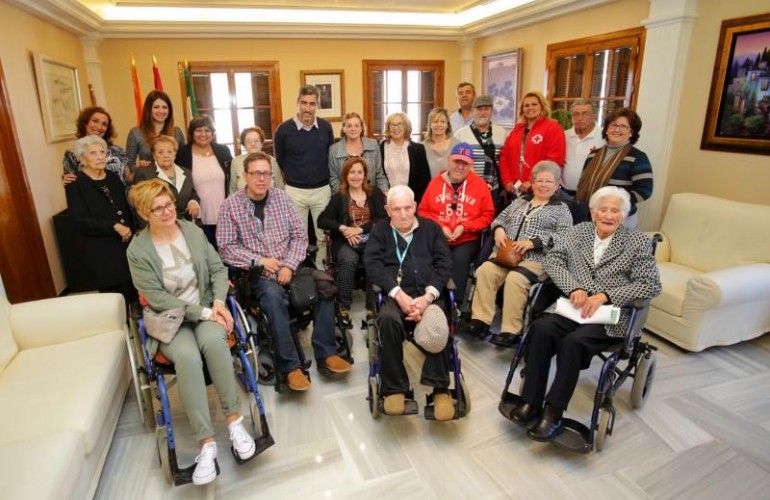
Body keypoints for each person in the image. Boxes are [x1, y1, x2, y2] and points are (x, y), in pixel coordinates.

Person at [126, 179, 256, 486]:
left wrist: (220, 303)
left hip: (207, 308)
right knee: (186, 357)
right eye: (157, 208)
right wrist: (206, 311)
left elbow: (218, 269)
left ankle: (235, 422)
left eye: (169, 204)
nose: (167, 211)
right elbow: (156, 297)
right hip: (169, 319)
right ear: (145, 213)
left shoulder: (193, 232)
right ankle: (206, 442)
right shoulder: (138, 249)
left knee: (214, 343)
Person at [509, 186, 661, 442]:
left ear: (623, 215)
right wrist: (574, 287)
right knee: (541, 329)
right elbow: (553, 261)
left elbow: (650, 284)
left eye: (615, 211)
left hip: (610, 314)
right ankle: (530, 401)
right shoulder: (576, 232)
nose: (609, 215)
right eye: (603, 209)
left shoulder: (637, 242)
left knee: (573, 343)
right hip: (574, 307)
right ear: (592, 213)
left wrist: (606, 296)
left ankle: (554, 412)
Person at [217, 152, 351, 391]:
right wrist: (258, 260)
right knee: (273, 297)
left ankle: (326, 352)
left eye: (266, 173)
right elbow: (226, 249)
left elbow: (300, 236)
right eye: (256, 174)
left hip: (291, 266)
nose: (261, 179)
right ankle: (290, 367)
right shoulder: (230, 206)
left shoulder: (282, 198)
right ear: (245, 176)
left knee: (325, 284)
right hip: (257, 274)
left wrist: (289, 264)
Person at [364, 185, 455, 421]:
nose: (403, 214)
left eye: (407, 208)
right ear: (387, 210)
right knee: (387, 320)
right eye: (397, 209)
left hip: (428, 295)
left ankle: (440, 388)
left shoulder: (432, 229)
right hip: (397, 296)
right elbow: (373, 265)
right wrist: (399, 295)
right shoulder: (380, 231)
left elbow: (444, 264)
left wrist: (427, 298)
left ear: (415, 206)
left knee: (438, 321)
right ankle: (395, 387)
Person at [458, 161, 571, 347]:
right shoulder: (520, 201)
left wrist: (533, 243)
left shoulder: (561, 209)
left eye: (548, 181)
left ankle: (511, 330)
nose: (543, 185)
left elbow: (565, 237)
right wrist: (499, 230)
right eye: (539, 180)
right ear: (532, 183)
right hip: (506, 254)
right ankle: (480, 321)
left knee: (515, 279)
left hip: (536, 259)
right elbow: (499, 219)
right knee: (485, 270)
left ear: (558, 184)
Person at [417, 142, 494, 303]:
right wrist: (440, 226)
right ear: (449, 160)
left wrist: (464, 227)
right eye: (456, 162)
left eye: (464, 163)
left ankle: (454, 305)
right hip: (439, 236)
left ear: (471, 165)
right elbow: (423, 211)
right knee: (434, 257)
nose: (460, 167)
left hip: (467, 239)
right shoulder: (435, 183)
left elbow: (488, 216)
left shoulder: (480, 186)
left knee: (459, 258)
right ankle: (428, 299)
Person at [65, 135, 135, 305]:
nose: (100, 157)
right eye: (93, 153)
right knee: (115, 297)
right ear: (82, 158)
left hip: (126, 242)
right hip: (101, 249)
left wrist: (129, 229)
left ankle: (136, 327)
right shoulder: (75, 184)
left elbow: (124, 208)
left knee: (133, 290)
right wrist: (114, 226)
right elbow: (81, 221)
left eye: (102, 152)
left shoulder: (112, 177)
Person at [273, 85, 336, 269]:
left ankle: (321, 273)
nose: (307, 108)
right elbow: (281, 160)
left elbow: (328, 155)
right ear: (297, 104)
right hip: (295, 191)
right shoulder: (283, 130)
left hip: (322, 190)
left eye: (312, 104)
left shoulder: (325, 128)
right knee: (298, 237)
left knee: (322, 236)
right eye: (303, 103)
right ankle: (301, 274)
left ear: (317, 105)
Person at [318, 156, 387, 323]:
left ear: (365, 175)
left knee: (373, 261)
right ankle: (344, 306)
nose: (356, 176)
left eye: (359, 172)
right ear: (345, 175)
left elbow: (382, 218)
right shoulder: (340, 197)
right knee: (348, 261)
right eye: (352, 172)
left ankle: (372, 307)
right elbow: (322, 220)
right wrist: (344, 228)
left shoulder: (374, 193)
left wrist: (360, 229)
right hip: (346, 241)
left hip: (371, 240)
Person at [575, 108, 653, 228]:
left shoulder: (637, 157)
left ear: (632, 132)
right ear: (606, 129)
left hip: (619, 219)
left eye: (623, 126)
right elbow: (582, 183)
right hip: (589, 215)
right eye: (613, 125)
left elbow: (645, 191)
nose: (617, 129)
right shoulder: (593, 154)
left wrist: (616, 201)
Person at [175, 115, 233, 248]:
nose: (203, 134)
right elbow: (180, 183)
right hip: (197, 215)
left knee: (226, 252)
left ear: (213, 133)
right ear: (191, 133)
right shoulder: (182, 154)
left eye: (207, 130)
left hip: (224, 214)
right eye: (198, 130)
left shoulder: (223, 151)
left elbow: (231, 177)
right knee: (205, 252)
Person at [499, 91, 566, 197]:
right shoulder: (515, 131)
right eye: (526, 105)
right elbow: (504, 157)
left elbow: (554, 161)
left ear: (542, 106)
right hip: (515, 190)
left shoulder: (553, 128)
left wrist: (532, 181)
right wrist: (507, 180)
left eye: (534, 104)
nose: (530, 108)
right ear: (522, 109)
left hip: (540, 190)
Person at [454, 95, 509, 212]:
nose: (483, 112)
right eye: (479, 109)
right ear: (473, 111)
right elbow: (455, 163)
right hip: (469, 187)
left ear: (491, 111)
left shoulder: (502, 133)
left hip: (495, 189)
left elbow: (507, 161)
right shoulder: (460, 134)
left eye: (486, 109)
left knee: (492, 219)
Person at [133, 135, 200, 228]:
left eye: (170, 151)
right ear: (154, 154)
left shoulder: (186, 172)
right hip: (159, 227)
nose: (166, 155)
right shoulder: (144, 173)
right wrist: (149, 231)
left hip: (186, 226)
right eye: (160, 152)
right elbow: (140, 206)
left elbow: (192, 193)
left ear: (175, 153)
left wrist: (193, 202)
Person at [62, 107, 130, 187]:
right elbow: (72, 185)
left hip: (122, 197)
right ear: (85, 123)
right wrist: (65, 179)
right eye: (95, 121)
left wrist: (141, 169)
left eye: (104, 124)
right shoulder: (72, 154)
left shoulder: (117, 150)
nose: (100, 127)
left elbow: (128, 178)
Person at [125, 90, 186, 170]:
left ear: (169, 110)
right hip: (148, 180)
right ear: (148, 109)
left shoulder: (177, 132)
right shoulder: (135, 133)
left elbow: (183, 160)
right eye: (156, 107)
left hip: (174, 179)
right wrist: (140, 168)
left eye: (164, 107)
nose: (161, 111)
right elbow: (129, 162)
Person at [379, 112, 431, 203]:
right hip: (387, 200)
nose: (396, 127)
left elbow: (424, 179)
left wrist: (416, 202)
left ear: (406, 126)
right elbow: (378, 175)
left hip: (411, 200)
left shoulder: (418, 149)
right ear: (388, 127)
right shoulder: (381, 147)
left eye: (400, 124)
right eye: (392, 124)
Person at [328, 112, 387, 193]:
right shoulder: (334, 149)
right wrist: (344, 196)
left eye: (356, 125)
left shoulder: (373, 145)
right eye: (349, 126)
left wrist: (385, 192)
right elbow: (333, 178)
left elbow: (379, 174)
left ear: (361, 128)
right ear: (344, 129)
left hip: (371, 194)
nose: (353, 129)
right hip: (345, 196)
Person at [562, 99, 604, 197]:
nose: (580, 118)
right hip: (565, 194)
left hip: (593, 195)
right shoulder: (564, 136)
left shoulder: (604, 136)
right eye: (576, 114)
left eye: (585, 114)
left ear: (594, 115)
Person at [230, 127, 283, 194]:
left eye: (256, 140)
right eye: (248, 141)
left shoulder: (272, 161)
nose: (252, 144)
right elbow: (232, 190)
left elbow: (280, 187)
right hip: (242, 203)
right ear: (244, 145)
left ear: (261, 143)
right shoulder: (236, 162)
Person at [423, 107, 460, 178]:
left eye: (442, 121)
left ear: (447, 125)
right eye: (435, 121)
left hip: (452, 188)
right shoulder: (421, 147)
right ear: (430, 125)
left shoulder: (457, 145)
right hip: (428, 188)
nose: (439, 125)